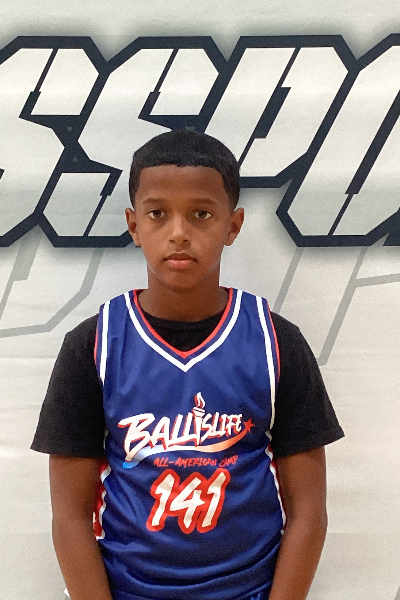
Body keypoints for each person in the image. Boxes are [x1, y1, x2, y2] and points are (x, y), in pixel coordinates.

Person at [31, 129, 344, 600]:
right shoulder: (93, 346)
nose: (178, 232)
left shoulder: (275, 342)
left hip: (249, 590)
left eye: (201, 214)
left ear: (232, 225)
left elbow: (309, 514)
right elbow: (69, 518)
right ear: (134, 225)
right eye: (158, 213)